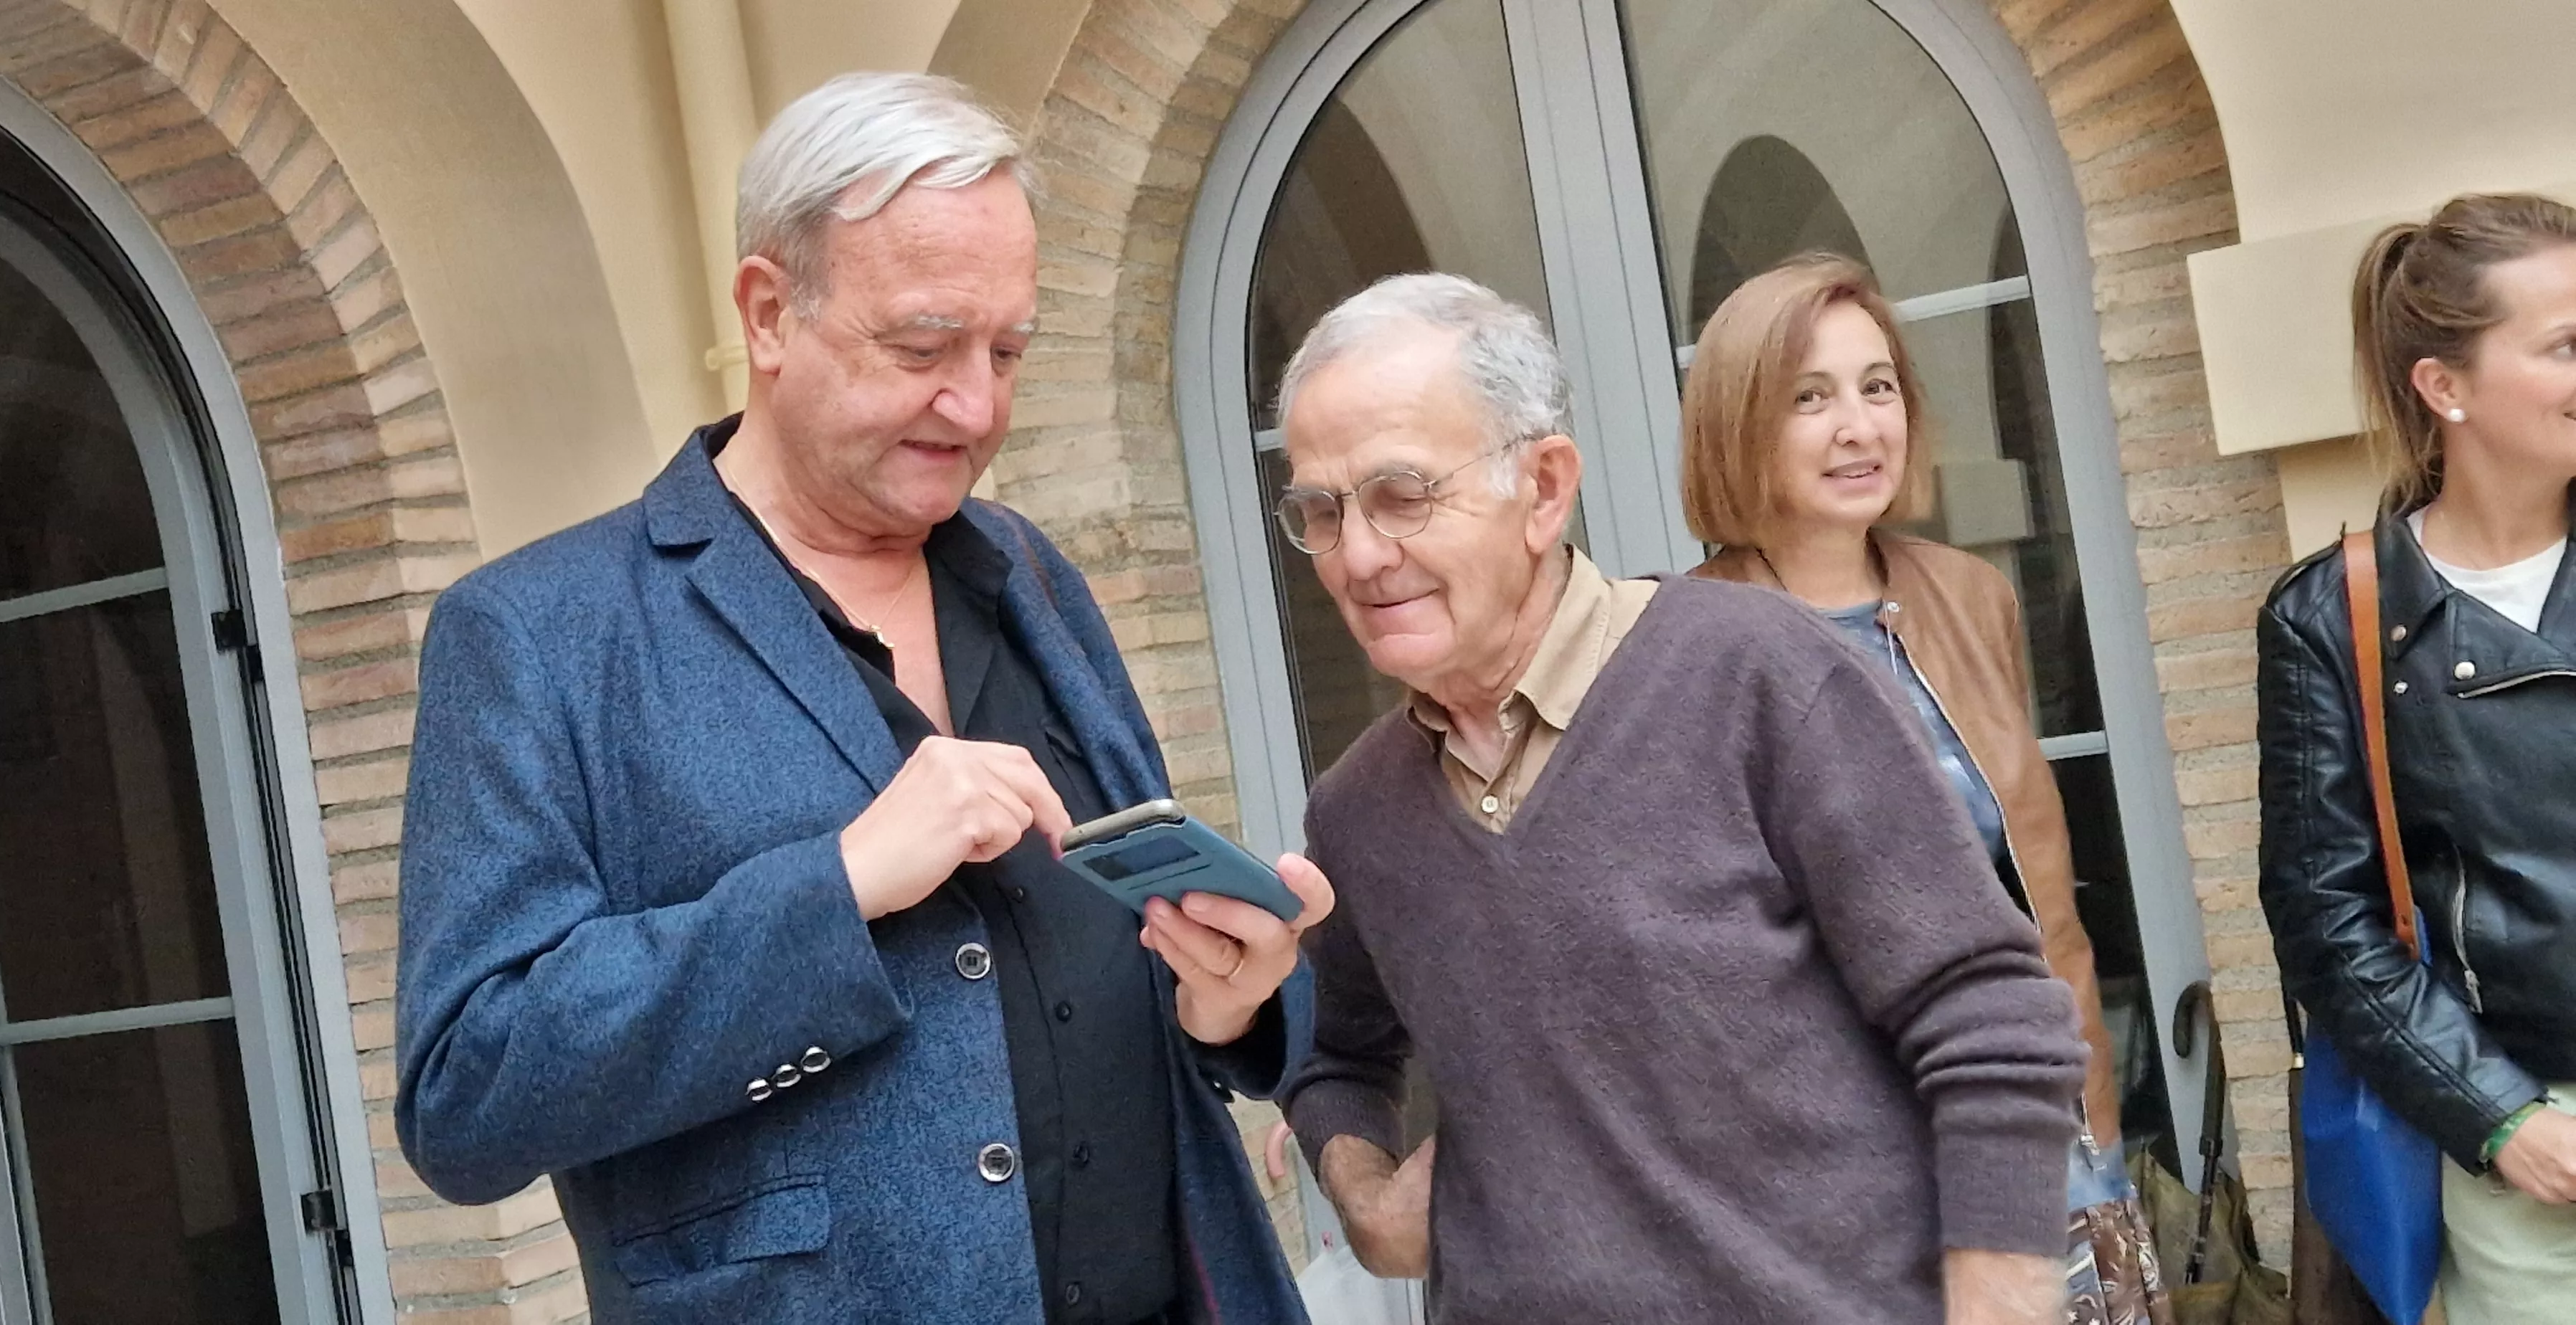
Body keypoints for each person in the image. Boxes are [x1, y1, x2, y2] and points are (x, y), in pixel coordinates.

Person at [393, 72, 1325, 1324]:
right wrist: (836, 887)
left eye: (1006, 352)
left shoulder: (1030, 571)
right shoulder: (535, 635)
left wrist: (1228, 999)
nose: (978, 406)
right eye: (924, 346)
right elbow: (469, 1094)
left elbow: (1092, 964)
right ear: (770, 313)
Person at [1271, 272, 2088, 1324]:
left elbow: (1990, 1016)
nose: (1360, 555)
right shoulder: (1359, 811)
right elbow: (1331, 1046)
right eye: (1321, 512)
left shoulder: (1760, 675)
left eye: (1402, 495)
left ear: (1546, 488)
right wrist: (1367, 1193)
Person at [1681, 255, 2155, 1316]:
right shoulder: (1681, 642)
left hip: (2041, 1128)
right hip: (1838, 1183)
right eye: (1810, 397)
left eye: (1878, 385)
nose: (1859, 425)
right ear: (1737, 423)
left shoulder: (1971, 596)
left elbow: (2027, 885)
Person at [2257, 191, 2576, 1324]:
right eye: (2565, 344)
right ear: (2446, 387)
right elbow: (2327, 917)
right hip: (2535, 1157)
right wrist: (2498, 1120)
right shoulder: (2335, 615)